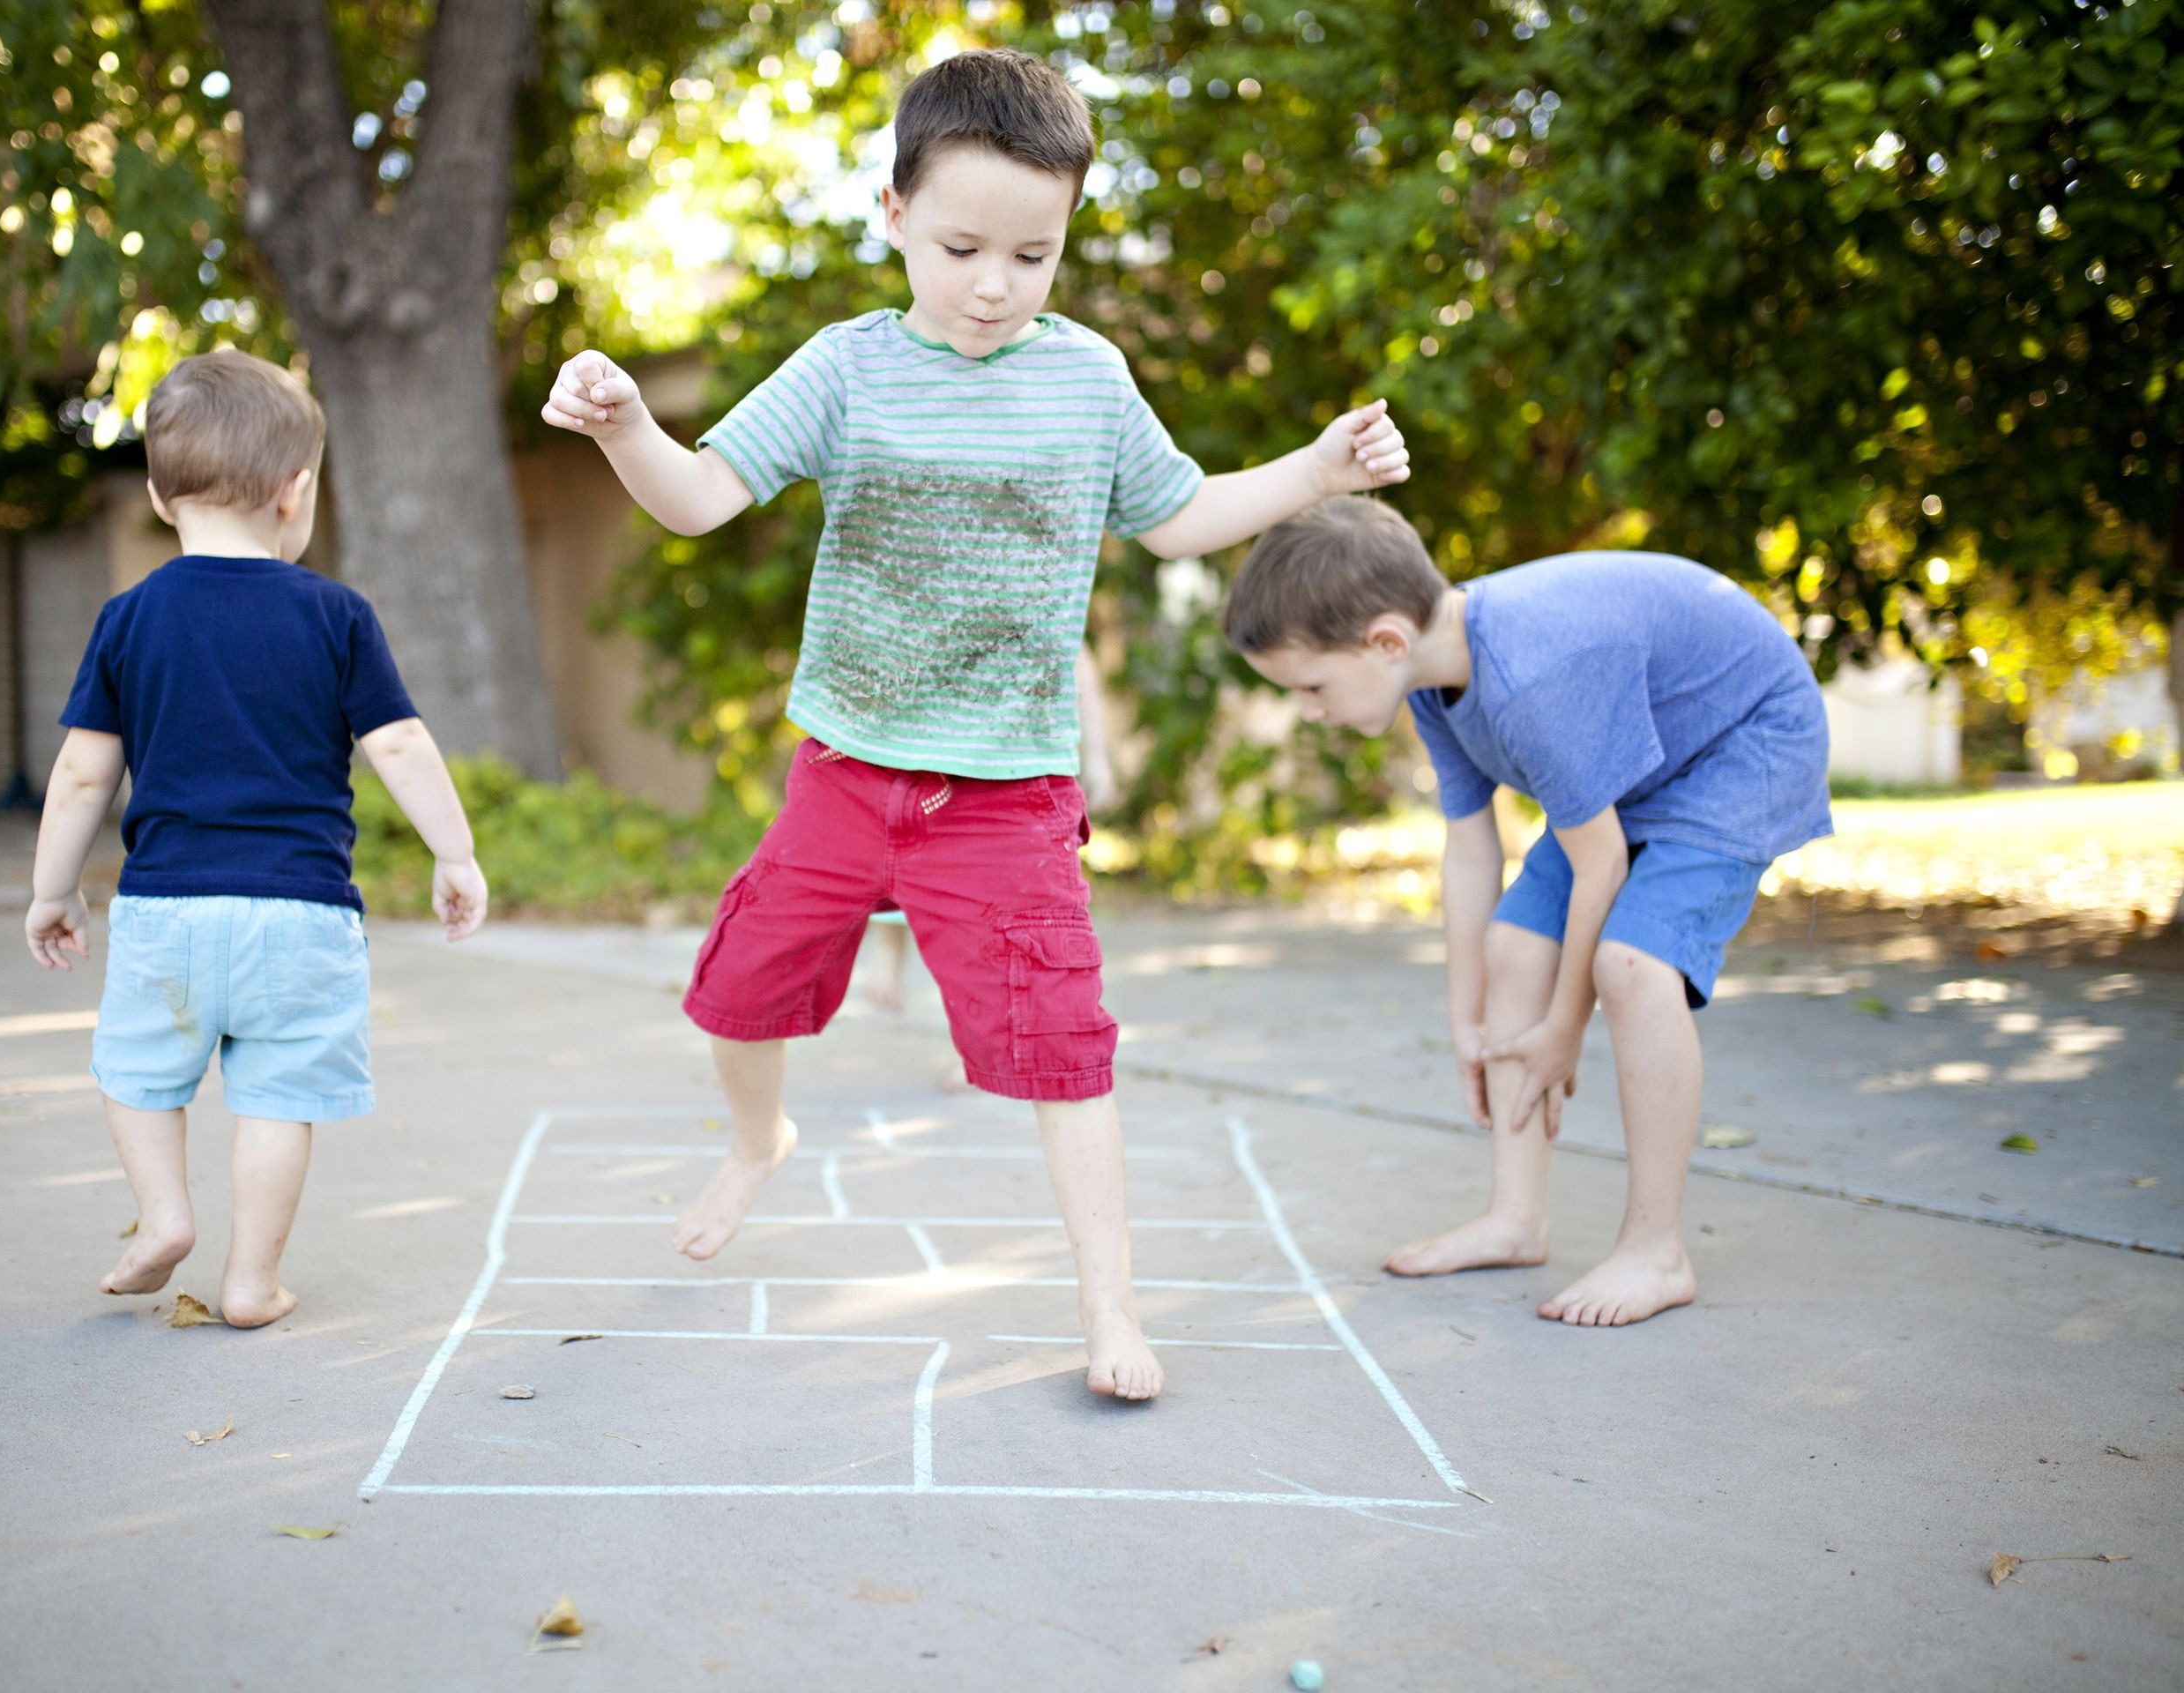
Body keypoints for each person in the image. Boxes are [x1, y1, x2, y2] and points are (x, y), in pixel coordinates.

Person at [541, 49, 1410, 1397]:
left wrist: (1315, 468)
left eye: (1033, 254)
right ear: (891, 213)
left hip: (1004, 791)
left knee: (1069, 1050)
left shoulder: (1087, 379)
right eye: (961, 247)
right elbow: (702, 496)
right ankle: (757, 1140)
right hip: (846, 766)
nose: (995, 284)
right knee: (737, 989)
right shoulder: (846, 369)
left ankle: (1112, 1314)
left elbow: (1176, 514)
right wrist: (624, 432)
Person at [1224, 496, 1830, 1326]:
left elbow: (1601, 863)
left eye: (1312, 685)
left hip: (1742, 744)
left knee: (1630, 965)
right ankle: (1517, 1219)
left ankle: (1657, 1250)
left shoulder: (1530, 677)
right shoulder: (1435, 682)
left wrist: (1562, 1028)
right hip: (1645, 764)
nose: (1308, 709)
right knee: (1513, 947)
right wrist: (1467, 1023)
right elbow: (1473, 850)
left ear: (1386, 641)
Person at [23, 350, 489, 1329]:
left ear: (157, 495)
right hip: (301, 913)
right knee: (279, 1097)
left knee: (139, 1072)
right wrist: (454, 853)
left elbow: (81, 773)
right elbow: (398, 741)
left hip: (167, 907)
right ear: (298, 491)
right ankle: (251, 1282)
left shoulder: (129, 618)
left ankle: (161, 1216)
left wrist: (51, 891)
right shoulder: (334, 613)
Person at [861, 645, 1118, 1016]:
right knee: (905, 850)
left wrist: (1096, 757)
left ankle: (986, 1036)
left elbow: (1078, 661)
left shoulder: (1044, 601)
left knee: (988, 919)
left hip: (1015, 772)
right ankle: (890, 946)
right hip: (941, 754)